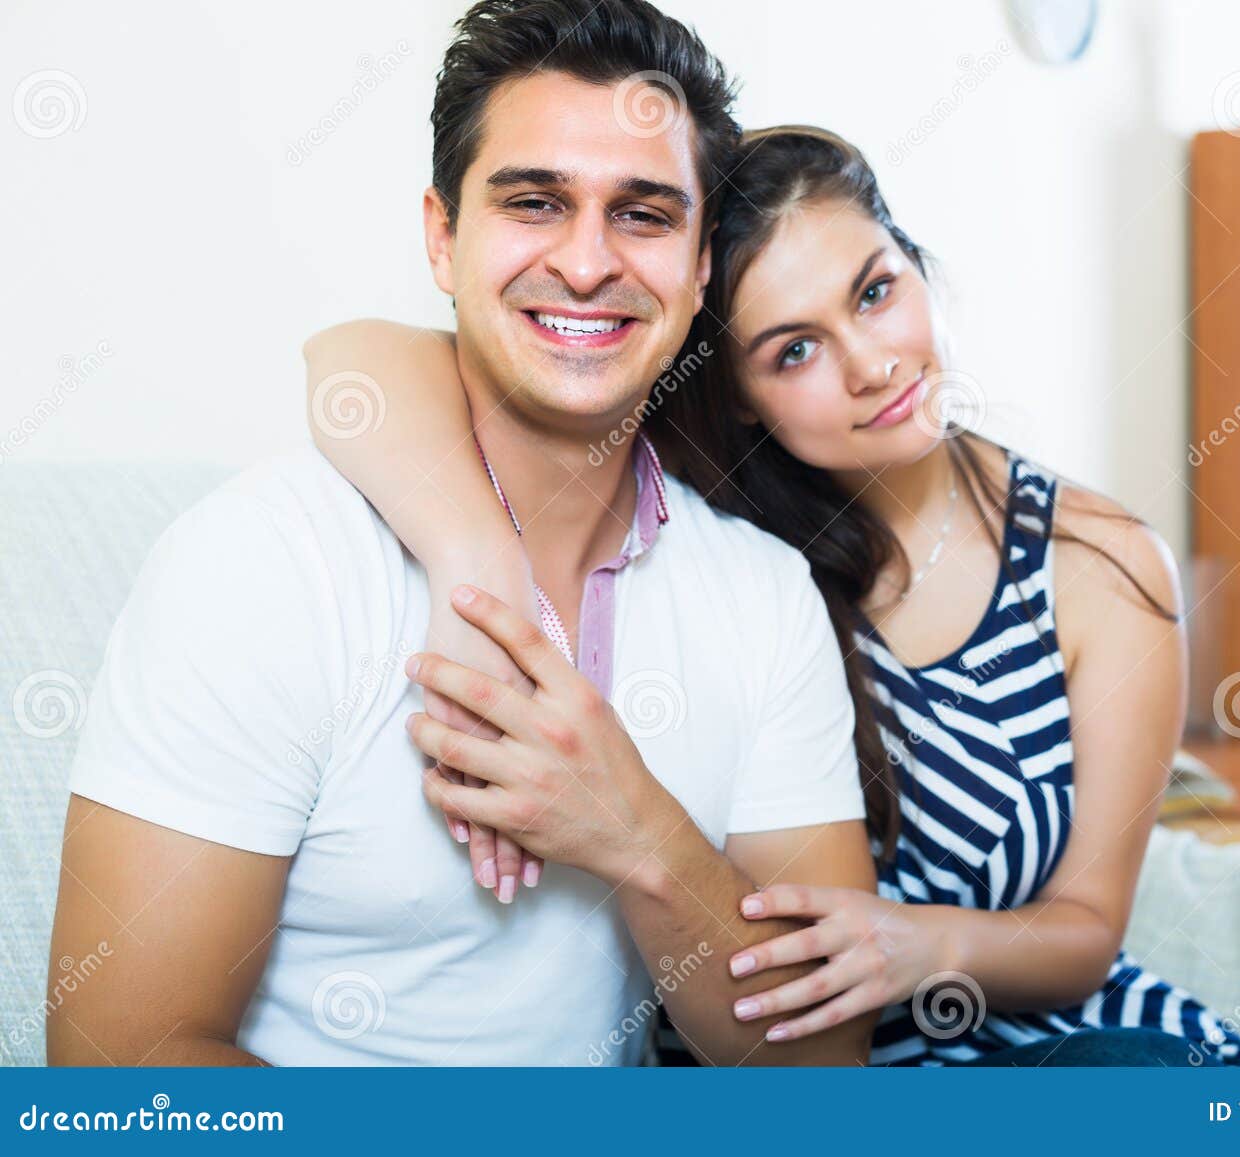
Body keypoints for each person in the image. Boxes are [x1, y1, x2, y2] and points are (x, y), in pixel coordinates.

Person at [301, 119, 1240, 1067]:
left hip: (1051, 1051)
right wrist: (477, 560)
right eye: (795, 350)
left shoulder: (1097, 560)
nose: (871, 364)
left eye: (875, 291)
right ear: (736, 393)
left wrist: (915, 942)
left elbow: (1085, 932)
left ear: (916, 264)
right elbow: (349, 362)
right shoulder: (701, 538)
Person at [46, 0, 880, 1067]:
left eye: (643, 215)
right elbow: (117, 1073)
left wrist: (641, 835)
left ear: (702, 267)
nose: (587, 263)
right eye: (534, 202)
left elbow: (818, 1070)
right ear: (443, 238)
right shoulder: (263, 563)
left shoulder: (763, 596)